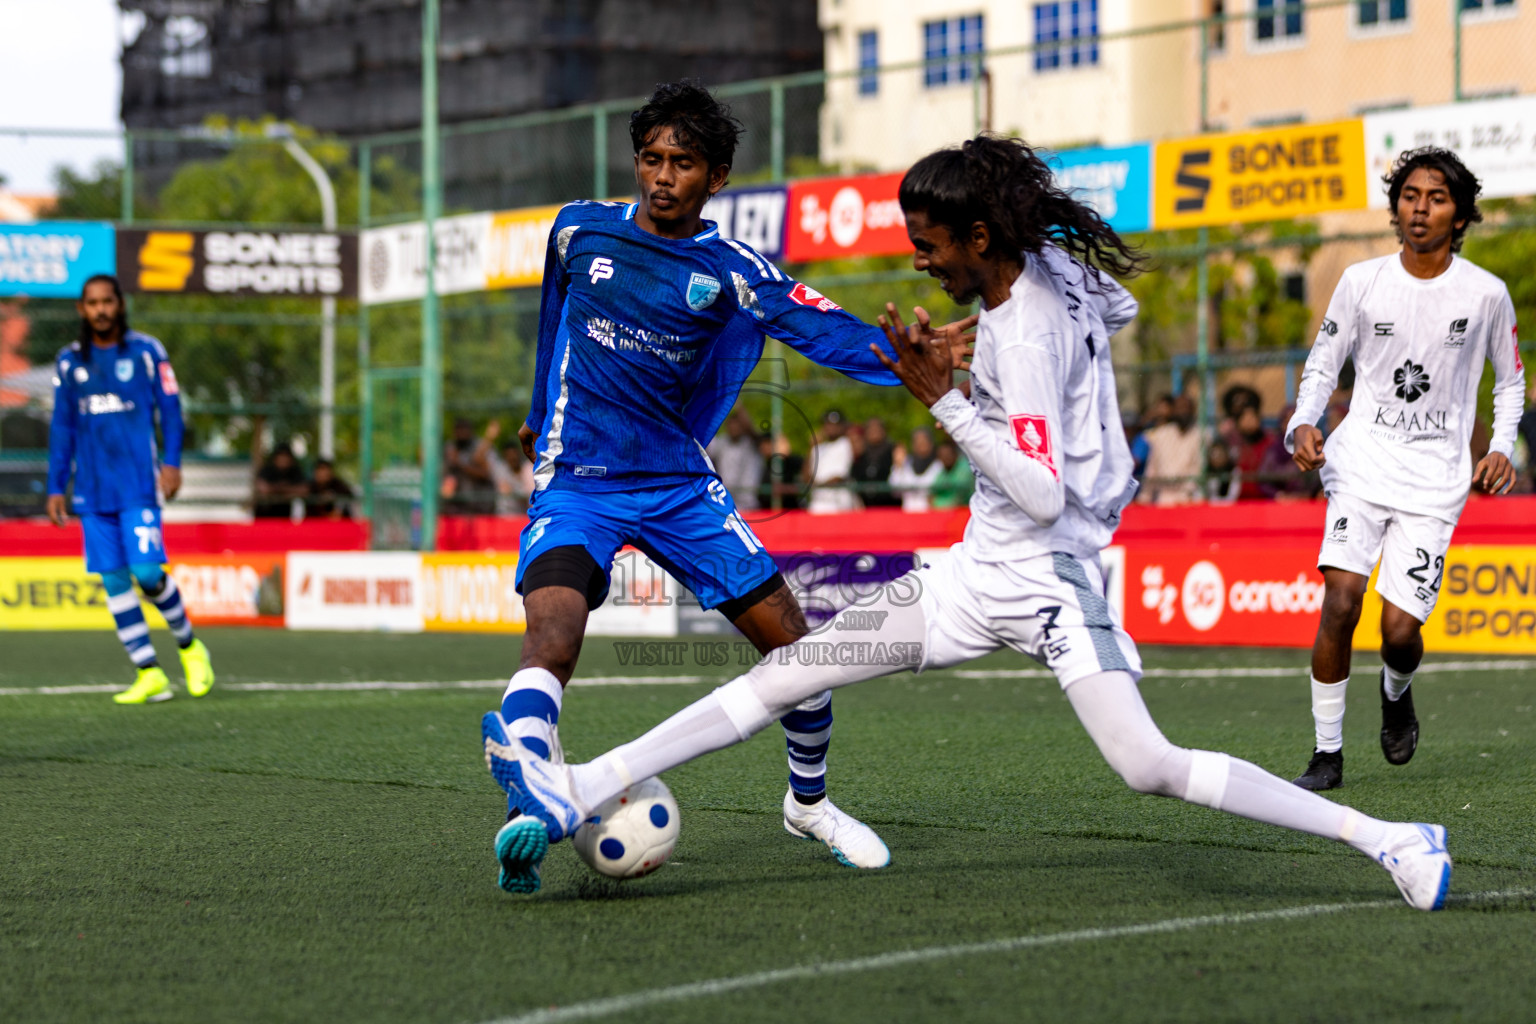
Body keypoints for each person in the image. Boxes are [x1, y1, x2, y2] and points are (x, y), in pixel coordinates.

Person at [488, 134, 1452, 912]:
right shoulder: (1052, 273)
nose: (921, 259)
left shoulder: (1024, 328)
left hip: (1050, 578)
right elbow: (1109, 309)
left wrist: (948, 397)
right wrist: (994, 351)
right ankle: (581, 781)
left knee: (1149, 765)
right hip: (974, 572)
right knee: (797, 668)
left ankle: (1390, 840)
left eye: (931, 245)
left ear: (982, 237)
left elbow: (1039, 490)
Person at [480, 80, 976, 892]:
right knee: (553, 635)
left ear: (717, 179)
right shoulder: (577, 230)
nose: (661, 176)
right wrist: (541, 414)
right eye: (650, 158)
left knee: (802, 653)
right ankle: (530, 789)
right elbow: (551, 324)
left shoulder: (730, 269)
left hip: (678, 485)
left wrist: (904, 354)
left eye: (682, 163)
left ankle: (808, 804)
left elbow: (818, 326)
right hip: (580, 481)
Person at [1287, 147, 1524, 791]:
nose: (1421, 208)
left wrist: (1500, 445)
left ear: (1459, 214)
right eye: (1411, 196)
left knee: (1398, 633)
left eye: (1437, 198)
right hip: (1359, 464)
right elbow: (1321, 363)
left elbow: (1510, 382)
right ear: (1396, 207)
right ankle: (1326, 756)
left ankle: (1397, 690)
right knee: (1341, 600)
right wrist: (1301, 425)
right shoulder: (1361, 281)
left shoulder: (1485, 295)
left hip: (1434, 482)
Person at [45, 274, 214, 704]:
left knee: (147, 573)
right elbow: (62, 428)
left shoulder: (147, 351)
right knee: (115, 580)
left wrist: (172, 463)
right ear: (82, 310)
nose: (101, 310)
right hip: (92, 492)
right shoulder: (68, 362)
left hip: (138, 484)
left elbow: (171, 411)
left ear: (120, 305)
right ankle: (149, 672)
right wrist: (55, 485)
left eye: (107, 302)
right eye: (92, 303)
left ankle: (191, 647)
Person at [1139, 393, 1201, 505]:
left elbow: (1198, 469)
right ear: (1174, 410)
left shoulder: (1201, 436)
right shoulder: (1161, 435)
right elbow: (1152, 469)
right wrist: (1145, 497)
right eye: (1180, 408)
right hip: (1164, 500)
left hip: (1189, 500)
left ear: (1193, 410)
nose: (1183, 412)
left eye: (1186, 408)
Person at [705, 407, 761, 510]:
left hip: (748, 503)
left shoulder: (751, 444)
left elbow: (751, 429)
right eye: (731, 425)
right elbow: (705, 443)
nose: (733, 428)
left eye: (737, 425)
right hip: (725, 502)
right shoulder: (721, 442)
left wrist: (738, 405)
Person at [443, 418, 498, 515]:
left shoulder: (478, 445)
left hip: (480, 504)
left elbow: (486, 473)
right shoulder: (450, 447)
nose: (461, 433)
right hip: (457, 506)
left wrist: (460, 464)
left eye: (464, 429)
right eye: (458, 430)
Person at [806, 410, 857, 513]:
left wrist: (817, 485)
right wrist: (810, 448)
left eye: (834, 424)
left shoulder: (845, 444)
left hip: (838, 504)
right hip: (817, 504)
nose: (830, 427)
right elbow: (806, 476)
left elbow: (838, 477)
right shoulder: (818, 448)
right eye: (827, 423)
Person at [888, 426, 941, 512]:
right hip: (908, 516)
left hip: (931, 516)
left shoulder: (939, 466)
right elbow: (895, 492)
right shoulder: (905, 464)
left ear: (931, 444)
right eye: (917, 442)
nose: (920, 445)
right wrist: (898, 467)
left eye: (924, 442)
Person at [851, 416, 898, 506]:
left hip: (888, 504)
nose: (874, 432)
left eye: (877, 429)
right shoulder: (860, 454)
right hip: (865, 504)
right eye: (871, 429)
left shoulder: (892, 450)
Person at [254, 443, 308, 518]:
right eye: (281, 456)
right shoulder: (267, 470)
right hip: (265, 516)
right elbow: (263, 488)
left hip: (286, 517)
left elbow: (304, 490)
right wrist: (286, 490)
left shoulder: (295, 471)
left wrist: (277, 489)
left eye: (286, 456)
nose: (283, 459)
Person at [490, 438, 535, 516]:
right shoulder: (500, 470)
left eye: (514, 454)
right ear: (505, 456)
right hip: (503, 515)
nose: (512, 458)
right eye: (509, 455)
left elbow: (527, 495)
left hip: (522, 515)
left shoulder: (527, 469)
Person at [928, 439, 973, 509]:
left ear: (955, 454)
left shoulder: (965, 469)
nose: (945, 458)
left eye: (948, 455)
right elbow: (932, 493)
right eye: (942, 455)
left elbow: (960, 497)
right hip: (944, 512)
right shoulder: (941, 471)